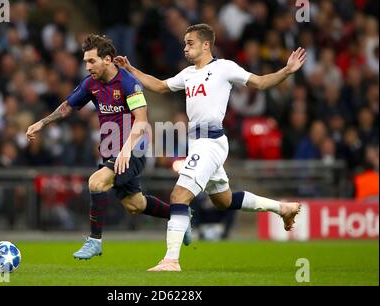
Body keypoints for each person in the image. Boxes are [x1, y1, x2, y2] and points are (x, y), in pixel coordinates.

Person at [115, 23, 304, 272]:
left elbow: (259, 83)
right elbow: (159, 86)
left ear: (206, 44)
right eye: (184, 43)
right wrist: (130, 70)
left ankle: (171, 260)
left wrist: (287, 71)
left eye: (190, 43)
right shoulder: (188, 73)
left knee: (179, 196)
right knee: (223, 201)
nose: (185, 48)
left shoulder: (224, 68)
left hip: (210, 142)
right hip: (198, 142)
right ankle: (282, 208)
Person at [26, 34, 191, 260]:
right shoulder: (91, 84)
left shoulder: (128, 83)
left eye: (91, 61)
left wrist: (125, 150)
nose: (87, 66)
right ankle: (181, 215)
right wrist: (41, 123)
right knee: (135, 204)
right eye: (85, 61)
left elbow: (141, 121)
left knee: (96, 182)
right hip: (113, 150)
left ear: (107, 60)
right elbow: (68, 106)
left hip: (135, 148)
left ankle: (95, 241)